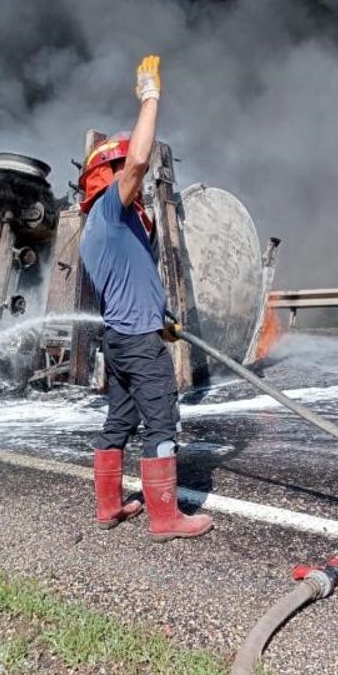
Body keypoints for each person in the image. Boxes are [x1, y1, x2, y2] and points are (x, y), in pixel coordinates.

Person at [78, 55, 213, 542]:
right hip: (137, 343)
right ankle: (165, 519)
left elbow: (132, 283)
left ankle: (109, 508)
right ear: (107, 174)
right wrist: (151, 97)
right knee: (161, 423)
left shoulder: (106, 227)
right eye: (120, 171)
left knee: (119, 420)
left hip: (122, 338)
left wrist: (162, 318)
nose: (131, 177)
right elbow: (137, 160)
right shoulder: (109, 211)